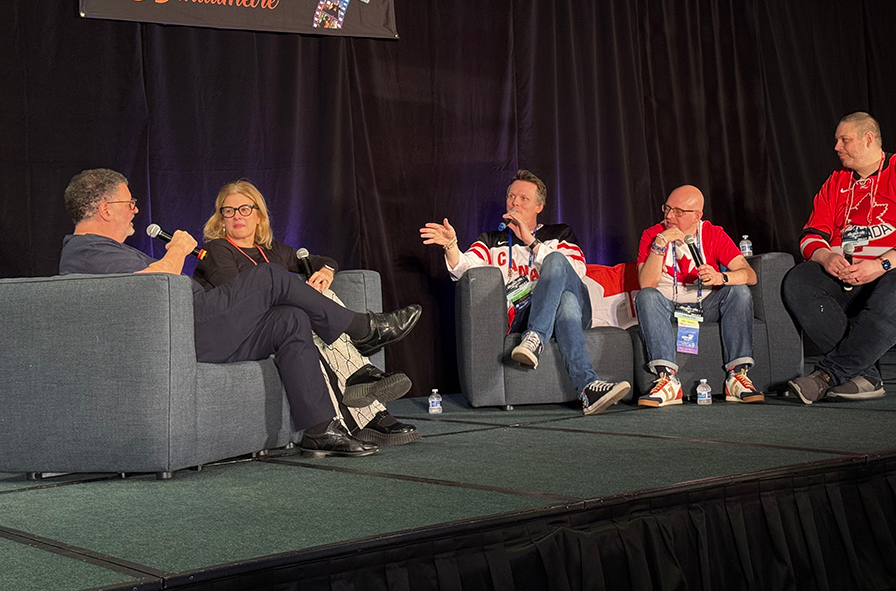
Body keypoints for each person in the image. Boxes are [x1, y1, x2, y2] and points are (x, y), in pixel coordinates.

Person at [58, 169, 422, 457]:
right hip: (186, 331)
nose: (136, 208)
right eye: (129, 202)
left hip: (196, 327)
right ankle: (363, 328)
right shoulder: (86, 250)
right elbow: (151, 285)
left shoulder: (103, 249)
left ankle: (320, 428)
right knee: (269, 278)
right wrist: (179, 251)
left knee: (290, 320)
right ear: (106, 209)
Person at [193, 180, 420, 448]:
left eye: (244, 209)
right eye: (228, 211)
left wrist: (325, 272)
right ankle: (363, 338)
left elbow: (321, 260)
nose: (236, 217)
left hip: (263, 333)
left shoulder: (273, 250)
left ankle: (322, 428)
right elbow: (239, 305)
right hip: (226, 334)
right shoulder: (217, 251)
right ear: (220, 219)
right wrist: (301, 297)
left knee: (299, 316)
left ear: (259, 215)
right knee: (286, 288)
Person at [420, 169, 630, 415]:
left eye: (523, 199)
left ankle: (535, 338)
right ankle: (588, 388)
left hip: (577, 313)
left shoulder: (559, 234)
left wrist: (531, 241)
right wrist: (451, 245)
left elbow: (577, 270)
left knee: (557, 264)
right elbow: (462, 270)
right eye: (511, 197)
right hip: (525, 315)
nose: (515, 203)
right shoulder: (492, 239)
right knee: (566, 303)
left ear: (539, 206)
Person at [782, 113, 896, 404]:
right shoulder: (835, 182)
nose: (836, 146)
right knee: (799, 280)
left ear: (868, 139)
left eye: (844, 139)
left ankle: (828, 376)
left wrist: (880, 264)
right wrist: (825, 258)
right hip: (851, 273)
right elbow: (810, 236)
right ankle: (866, 375)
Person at [634, 185, 763, 406]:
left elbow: (750, 275)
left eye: (678, 211)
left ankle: (738, 377)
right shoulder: (652, 235)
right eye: (667, 208)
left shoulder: (713, 234)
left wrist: (720, 278)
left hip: (705, 305)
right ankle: (668, 381)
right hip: (667, 307)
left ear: (697, 215)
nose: (669, 215)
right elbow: (647, 284)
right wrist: (660, 244)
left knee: (739, 291)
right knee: (646, 296)